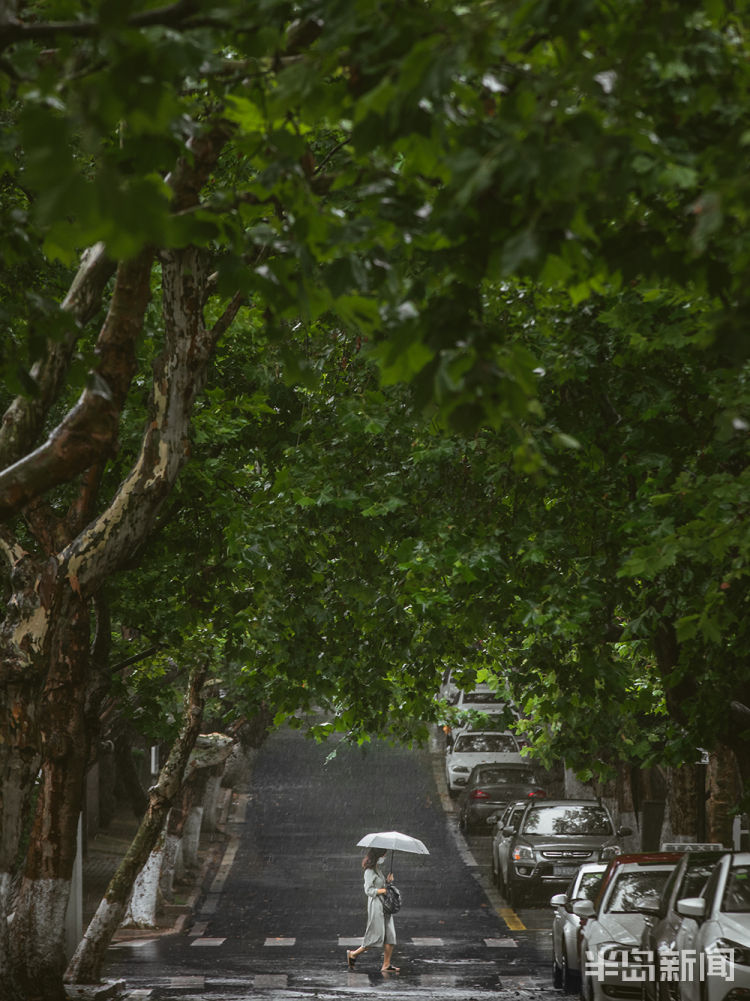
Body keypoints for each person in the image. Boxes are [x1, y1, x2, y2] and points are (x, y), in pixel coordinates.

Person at [346, 846, 399, 973]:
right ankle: (353, 954)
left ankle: (386, 965)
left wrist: (388, 881)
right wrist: (383, 890)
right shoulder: (369, 871)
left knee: (390, 936)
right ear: (378, 856)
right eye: (383, 855)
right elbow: (368, 890)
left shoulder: (377, 869)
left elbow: (381, 885)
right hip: (376, 906)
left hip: (385, 905)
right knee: (375, 936)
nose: (384, 858)